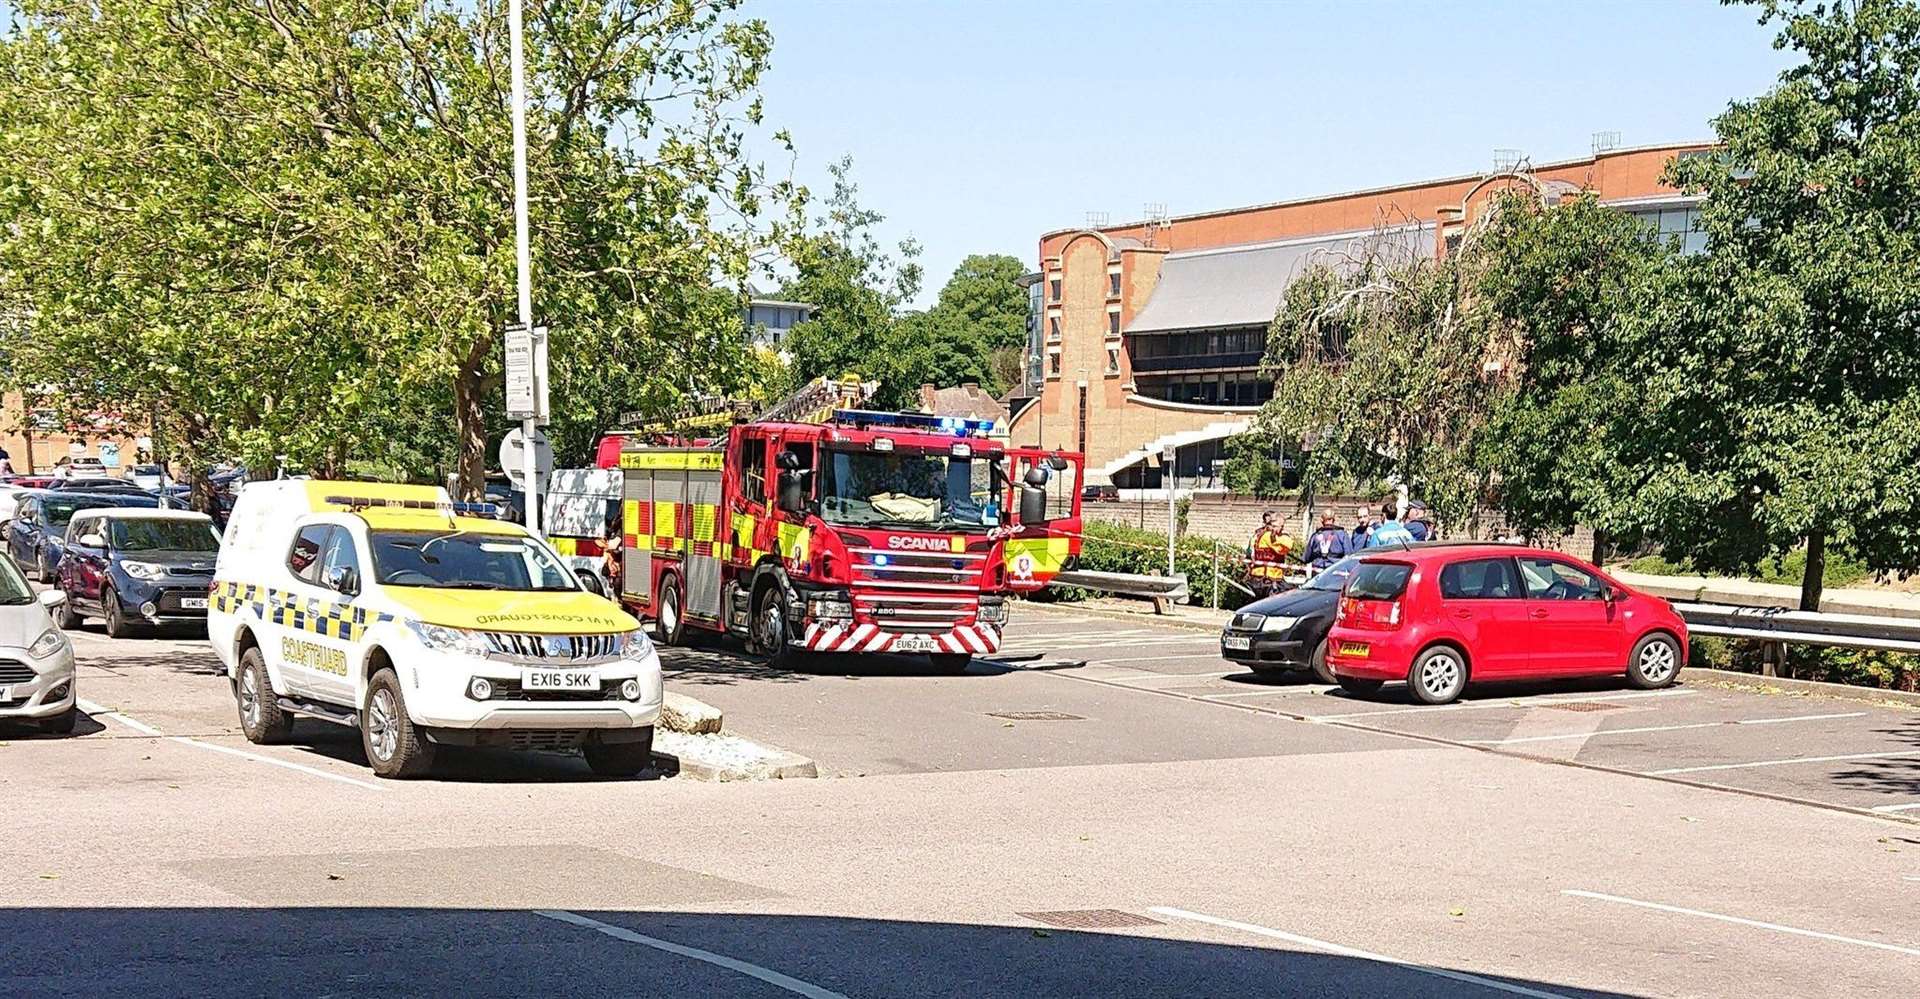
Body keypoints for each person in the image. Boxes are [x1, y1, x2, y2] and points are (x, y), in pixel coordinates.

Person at [1247, 510, 1295, 593]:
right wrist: (1280, 536)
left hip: (1260, 577)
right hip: (1267, 579)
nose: (1281, 529)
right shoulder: (1268, 536)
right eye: (1280, 526)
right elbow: (1288, 545)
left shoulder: (1259, 535)